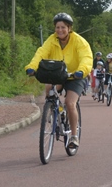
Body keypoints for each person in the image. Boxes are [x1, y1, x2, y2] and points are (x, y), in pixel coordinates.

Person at [25, 12, 93, 148]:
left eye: (63, 27)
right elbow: (41, 53)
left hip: (75, 75)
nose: (60, 30)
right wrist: (32, 67)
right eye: (57, 27)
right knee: (49, 88)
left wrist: (81, 71)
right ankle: (52, 108)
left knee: (70, 102)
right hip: (59, 74)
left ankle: (74, 137)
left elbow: (86, 57)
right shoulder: (52, 40)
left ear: (69, 28)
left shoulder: (79, 41)